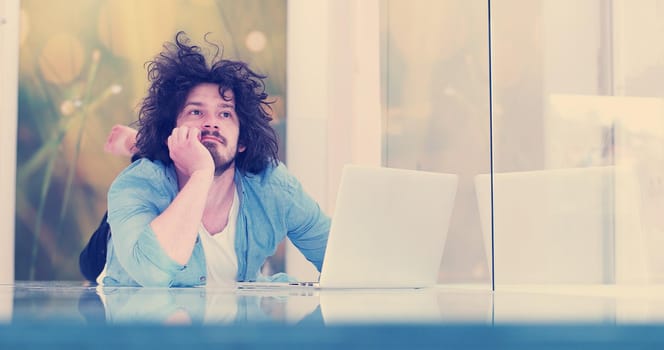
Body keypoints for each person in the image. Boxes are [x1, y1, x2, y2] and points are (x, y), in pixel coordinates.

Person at [97, 31, 330, 287]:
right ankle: (140, 144)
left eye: (225, 114)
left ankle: (138, 142)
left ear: (243, 141)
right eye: (196, 112)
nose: (211, 123)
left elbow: (339, 260)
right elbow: (152, 274)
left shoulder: (274, 186)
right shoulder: (136, 183)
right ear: (170, 131)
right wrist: (201, 173)